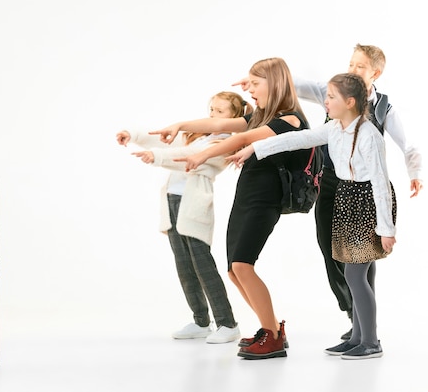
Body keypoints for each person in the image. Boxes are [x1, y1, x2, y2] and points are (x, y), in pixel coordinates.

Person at [233, 43, 422, 340]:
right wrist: (256, 142)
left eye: (360, 66)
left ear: (375, 73)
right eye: (351, 63)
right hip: (333, 184)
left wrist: (413, 178)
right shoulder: (335, 111)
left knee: (359, 266)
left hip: (364, 192)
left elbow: (395, 162)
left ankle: (366, 334)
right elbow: (300, 136)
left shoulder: (376, 121)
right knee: (332, 250)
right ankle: (356, 319)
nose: (326, 100)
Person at [150, 57, 310, 359]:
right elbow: (219, 124)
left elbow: (245, 138)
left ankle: (272, 337)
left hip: (266, 198)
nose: (249, 89)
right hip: (247, 196)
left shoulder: (289, 120)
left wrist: (203, 155)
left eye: (255, 83)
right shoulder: (261, 116)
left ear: (274, 84)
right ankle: (272, 327)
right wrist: (180, 125)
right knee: (234, 271)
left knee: (242, 266)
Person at [116, 92, 252, 344]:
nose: (213, 115)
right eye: (212, 109)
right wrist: (132, 135)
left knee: (203, 265)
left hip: (194, 205)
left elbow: (187, 161)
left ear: (234, 117)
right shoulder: (196, 134)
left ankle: (227, 323)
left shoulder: (226, 144)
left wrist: (156, 158)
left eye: (220, 112)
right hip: (172, 201)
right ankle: (201, 321)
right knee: (184, 265)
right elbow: (162, 140)